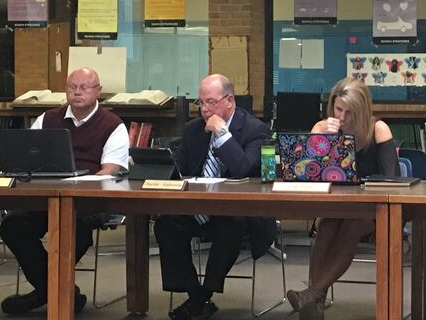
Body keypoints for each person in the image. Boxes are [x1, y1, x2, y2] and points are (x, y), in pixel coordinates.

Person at [0, 67, 129, 314]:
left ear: (98, 92)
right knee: (12, 225)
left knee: (76, 230)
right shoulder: (47, 119)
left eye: (84, 87)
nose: (77, 92)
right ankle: (59, 292)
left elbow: (109, 172)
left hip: (87, 201)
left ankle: (43, 293)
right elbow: (26, 158)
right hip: (44, 196)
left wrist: (76, 184)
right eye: (72, 87)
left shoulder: (113, 125)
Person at [154, 74, 275, 320]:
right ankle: (195, 295)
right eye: (201, 103)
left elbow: (242, 167)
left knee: (231, 226)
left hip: (238, 211)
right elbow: (181, 167)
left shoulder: (255, 130)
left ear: (229, 100)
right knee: (165, 223)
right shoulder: (193, 130)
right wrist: (156, 164)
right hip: (197, 206)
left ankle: (203, 294)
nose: (205, 110)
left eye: (211, 102)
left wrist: (221, 132)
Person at [285, 77, 400, 320]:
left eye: (350, 112)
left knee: (350, 226)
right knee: (326, 226)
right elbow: (305, 174)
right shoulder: (323, 127)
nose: (343, 117)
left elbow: (392, 179)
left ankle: (311, 294)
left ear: (362, 111)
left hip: (372, 210)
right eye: (338, 109)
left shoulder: (378, 130)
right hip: (337, 206)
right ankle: (314, 305)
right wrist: (318, 139)